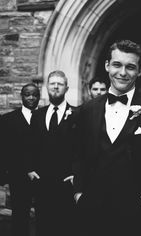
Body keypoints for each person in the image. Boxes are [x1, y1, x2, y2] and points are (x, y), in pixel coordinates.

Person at [72, 39, 141, 236]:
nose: (123, 73)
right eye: (117, 64)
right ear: (107, 65)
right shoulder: (87, 109)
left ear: (139, 71)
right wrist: (78, 193)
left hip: (135, 210)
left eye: (130, 67)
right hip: (92, 208)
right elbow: (78, 153)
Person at [27, 70, 77, 236]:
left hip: (67, 184)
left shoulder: (78, 114)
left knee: (67, 227)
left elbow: (82, 147)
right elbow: (31, 145)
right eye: (52, 83)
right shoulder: (37, 115)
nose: (56, 87)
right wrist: (30, 169)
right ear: (47, 87)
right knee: (43, 228)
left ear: (66, 88)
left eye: (60, 84)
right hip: (43, 184)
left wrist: (77, 174)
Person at [1, 83, 40, 236]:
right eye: (27, 94)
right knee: (19, 216)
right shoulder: (7, 120)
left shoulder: (44, 117)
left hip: (41, 177)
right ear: (21, 96)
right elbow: (3, 149)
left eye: (35, 94)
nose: (31, 97)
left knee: (42, 217)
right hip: (18, 177)